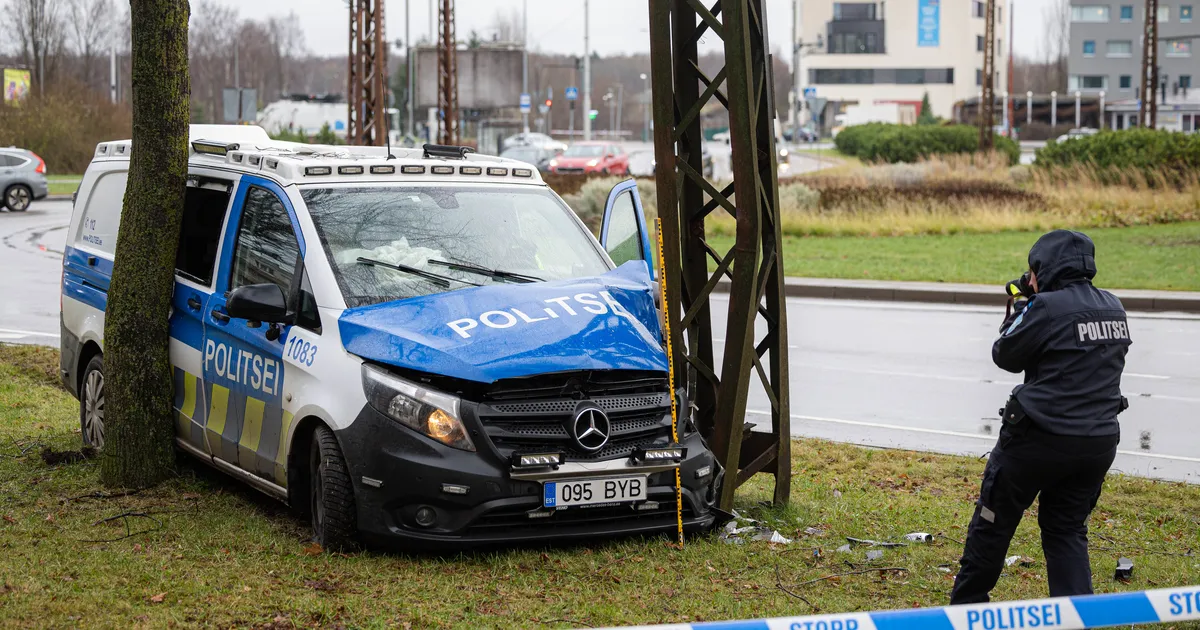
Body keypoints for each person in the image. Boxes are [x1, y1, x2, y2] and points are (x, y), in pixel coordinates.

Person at [950, 229, 1131, 604]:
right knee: (1066, 530)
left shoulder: (1045, 307)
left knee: (992, 523)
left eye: (1033, 270)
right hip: (1097, 442)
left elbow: (1006, 354)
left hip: (1037, 439)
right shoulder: (1113, 306)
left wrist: (1022, 304)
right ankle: (1077, 618)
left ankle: (965, 611)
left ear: (1043, 268)